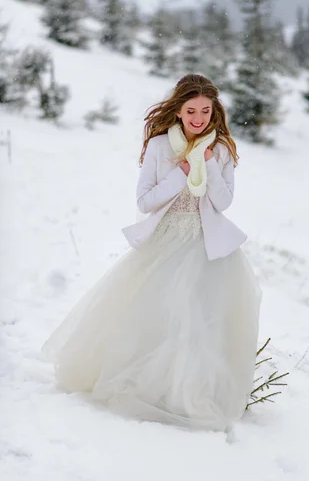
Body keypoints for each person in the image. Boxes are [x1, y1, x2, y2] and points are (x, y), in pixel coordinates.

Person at [42, 73, 262, 432]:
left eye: (206, 111)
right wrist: (184, 172)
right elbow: (145, 201)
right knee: (156, 317)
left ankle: (186, 394)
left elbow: (223, 203)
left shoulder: (220, 149)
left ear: (214, 111)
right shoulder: (161, 147)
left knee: (200, 323)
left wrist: (208, 164)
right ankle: (149, 388)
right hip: (165, 244)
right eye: (191, 110)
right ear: (178, 111)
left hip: (207, 247)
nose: (198, 118)